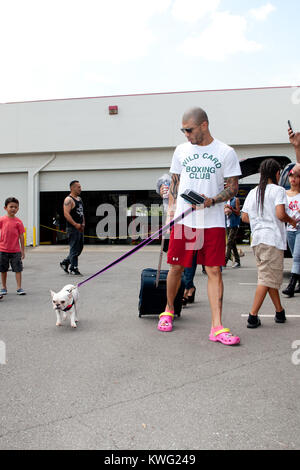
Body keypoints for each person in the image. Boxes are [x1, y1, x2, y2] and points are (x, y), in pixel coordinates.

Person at [157, 107, 241, 346]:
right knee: (176, 268)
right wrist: (169, 213)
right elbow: (174, 183)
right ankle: (168, 309)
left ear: (204, 125)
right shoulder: (181, 151)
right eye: (183, 130)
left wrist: (212, 200)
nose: (186, 134)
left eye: (189, 129)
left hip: (212, 221)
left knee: (214, 271)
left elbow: (233, 187)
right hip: (184, 221)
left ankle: (216, 326)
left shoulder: (226, 152)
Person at [241, 159, 297, 328]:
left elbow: (244, 217)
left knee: (268, 276)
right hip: (272, 239)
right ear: (276, 173)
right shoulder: (279, 190)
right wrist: (292, 221)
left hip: (257, 239)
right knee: (266, 278)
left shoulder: (254, 192)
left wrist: (259, 219)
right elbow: (280, 214)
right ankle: (252, 316)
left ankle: (279, 311)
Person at [156, 173, 198, 306]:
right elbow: (166, 199)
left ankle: (187, 288)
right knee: (176, 262)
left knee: (189, 258)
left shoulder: (194, 178)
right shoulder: (168, 179)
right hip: (175, 223)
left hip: (193, 221)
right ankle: (185, 290)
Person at [0, 197, 26, 296]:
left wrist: (22, 251)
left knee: (18, 269)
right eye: (11, 207)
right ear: (5, 208)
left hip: (15, 251)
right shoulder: (2, 220)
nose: (13, 209)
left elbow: (21, 237)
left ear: (18, 209)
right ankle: (3, 287)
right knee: (3, 270)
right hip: (2, 249)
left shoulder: (18, 222)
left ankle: (19, 287)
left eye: (15, 207)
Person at [60, 180, 85, 275]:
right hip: (72, 228)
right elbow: (66, 214)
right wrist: (75, 224)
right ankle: (73, 268)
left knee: (79, 248)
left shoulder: (79, 199)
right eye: (78, 187)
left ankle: (65, 262)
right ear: (72, 188)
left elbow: (81, 213)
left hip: (80, 228)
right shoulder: (68, 200)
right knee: (74, 248)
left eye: (80, 187)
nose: (80, 189)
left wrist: (83, 223)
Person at [282, 166, 300, 297]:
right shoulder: (284, 194)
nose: (293, 179)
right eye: (291, 176)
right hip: (289, 229)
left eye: (297, 176)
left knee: (297, 258)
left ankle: (291, 285)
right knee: (296, 256)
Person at [225, 196, 241, 268]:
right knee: (232, 243)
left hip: (234, 224)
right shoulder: (225, 200)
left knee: (229, 242)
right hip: (227, 224)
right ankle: (237, 261)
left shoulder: (235, 200)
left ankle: (224, 261)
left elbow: (238, 213)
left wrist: (231, 208)